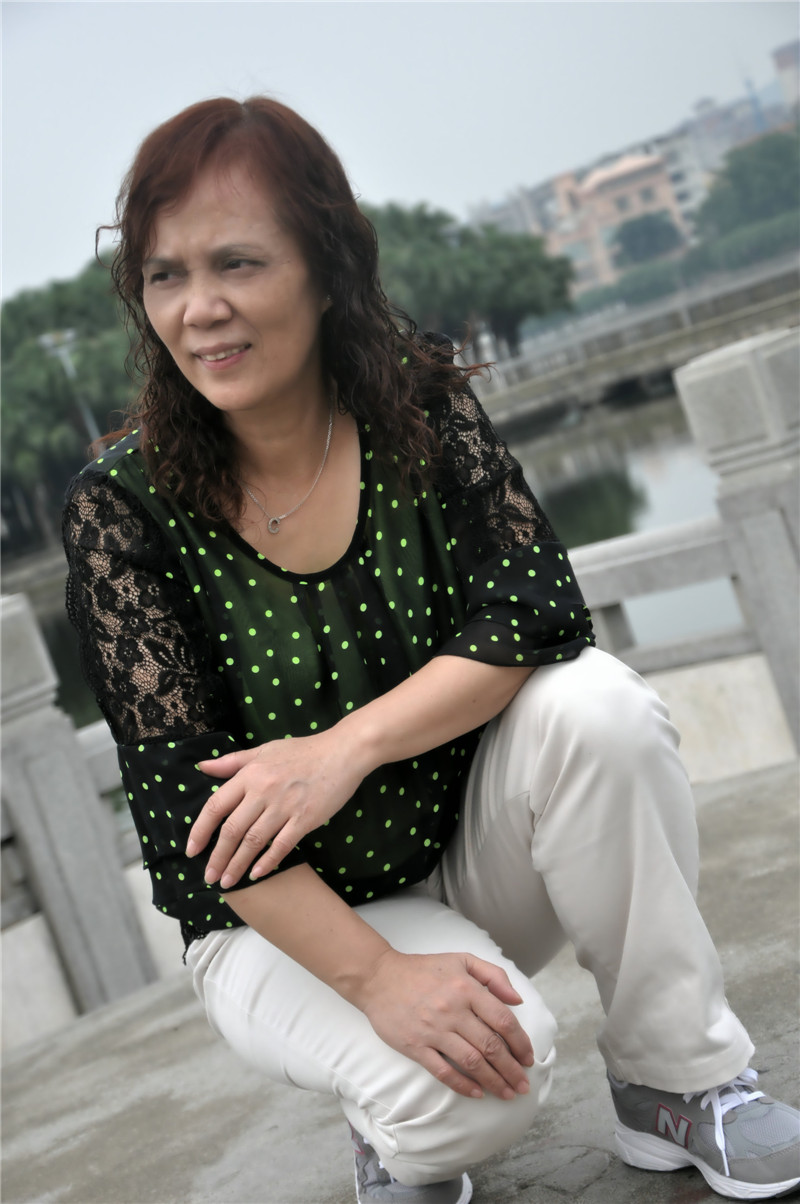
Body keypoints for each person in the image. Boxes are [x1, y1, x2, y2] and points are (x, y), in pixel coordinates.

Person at [62, 96, 799, 1204]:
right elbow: (186, 826)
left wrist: (341, 750)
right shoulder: (123, 510)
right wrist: (377, 980)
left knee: (596, 706)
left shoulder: (414, 405)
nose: (200, 308)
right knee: (479, 1094)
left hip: (462, 846)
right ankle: (393, 1125)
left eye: (238, 263)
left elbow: (537, 610)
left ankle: (677, 1079)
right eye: (165, 275)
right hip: (283, 922)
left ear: (324, 269)